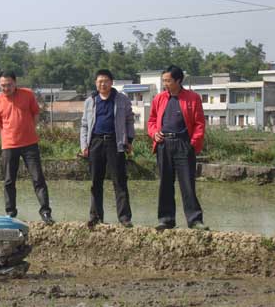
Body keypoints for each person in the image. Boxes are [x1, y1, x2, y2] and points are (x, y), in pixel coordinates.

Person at [147, 65, 209, 231]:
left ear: (178, 80)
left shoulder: (193, 98)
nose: (165, 83)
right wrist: (154, 134)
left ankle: (195, 220)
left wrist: (193, 144)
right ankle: (166, 220)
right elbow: (151, 121)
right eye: (164, 81)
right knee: (165, 183)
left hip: (184, 144)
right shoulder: (159, 98)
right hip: (164, 144)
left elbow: (199, 124)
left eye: (168, 80)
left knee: (187, 183)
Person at [0, 70, 54, 224]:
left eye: (9, 85)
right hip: (9, 146)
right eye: (3, 85)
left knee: (38, 178)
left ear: (15, 82)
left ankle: (45, 212)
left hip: (30, 144)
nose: (6, 88)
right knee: (9, 181)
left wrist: (30, 129)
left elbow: (35, 113)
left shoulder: (27, 94)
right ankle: (11, 213)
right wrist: (5, 136)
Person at [80, 69, 135, 228]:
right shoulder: (91, 100)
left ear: (111, 82)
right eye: (99, 81)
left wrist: (129, 140)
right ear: (96, 83)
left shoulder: (121, 100)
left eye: (105, 81)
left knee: (119, 181)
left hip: (115, 143)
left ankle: (124, 218)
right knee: (95, 181)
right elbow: (84, 124)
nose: (102, 84)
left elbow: (129, 120)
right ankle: (96, 216)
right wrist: (84, 145)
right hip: (95, 143)